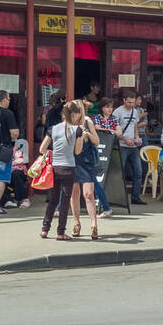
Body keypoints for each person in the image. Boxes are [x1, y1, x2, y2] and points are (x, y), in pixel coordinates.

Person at [39, 100, 86, 240]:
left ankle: (44, 229)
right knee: (65, 201)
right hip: (69, 167)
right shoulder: (77, 130)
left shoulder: (53, 129)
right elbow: (77, 151)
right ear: (75, 114)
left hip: (54, 167)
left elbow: (42, 149)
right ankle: (60, 232)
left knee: (53, 200)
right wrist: (81, 137)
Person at [68, 101, 101, 239]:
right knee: (74, 193)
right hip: (71, 160)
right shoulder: (66, 123)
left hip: (85, 161)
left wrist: (86, 133)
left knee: (88, 194)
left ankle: (94, 224)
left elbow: (97, 141)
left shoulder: (87, 121)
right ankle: (76, 222)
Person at [111, 90, 147, 205]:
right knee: (119, 172)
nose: (131, 105)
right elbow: (115, 130)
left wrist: (137, 138)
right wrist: (125, 139)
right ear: (124, 100)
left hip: (133, 146)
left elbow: (135, 126)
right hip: (122, 145)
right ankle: (118, 196)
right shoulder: (117, 112)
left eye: (133, 103)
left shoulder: (135, 112)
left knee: (138, 172)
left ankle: (135, 197)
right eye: (129, 102)